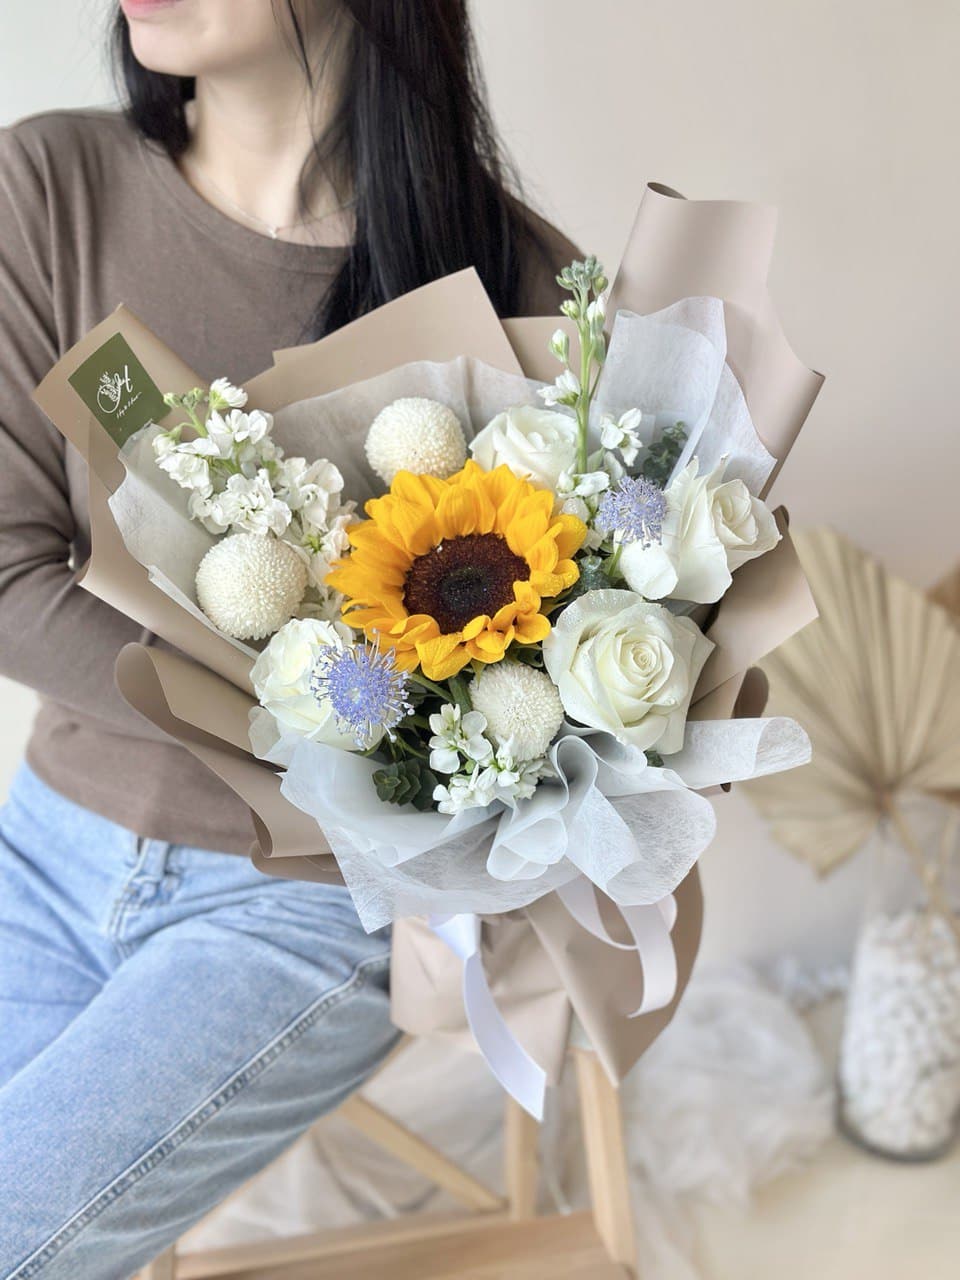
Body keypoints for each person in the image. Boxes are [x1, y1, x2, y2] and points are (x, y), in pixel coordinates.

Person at [0, 2, 577, 1275]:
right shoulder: (47, 185)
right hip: (42, 847)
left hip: (303, 910)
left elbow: (540, 691)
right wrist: (333, 711)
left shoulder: (522, 290)